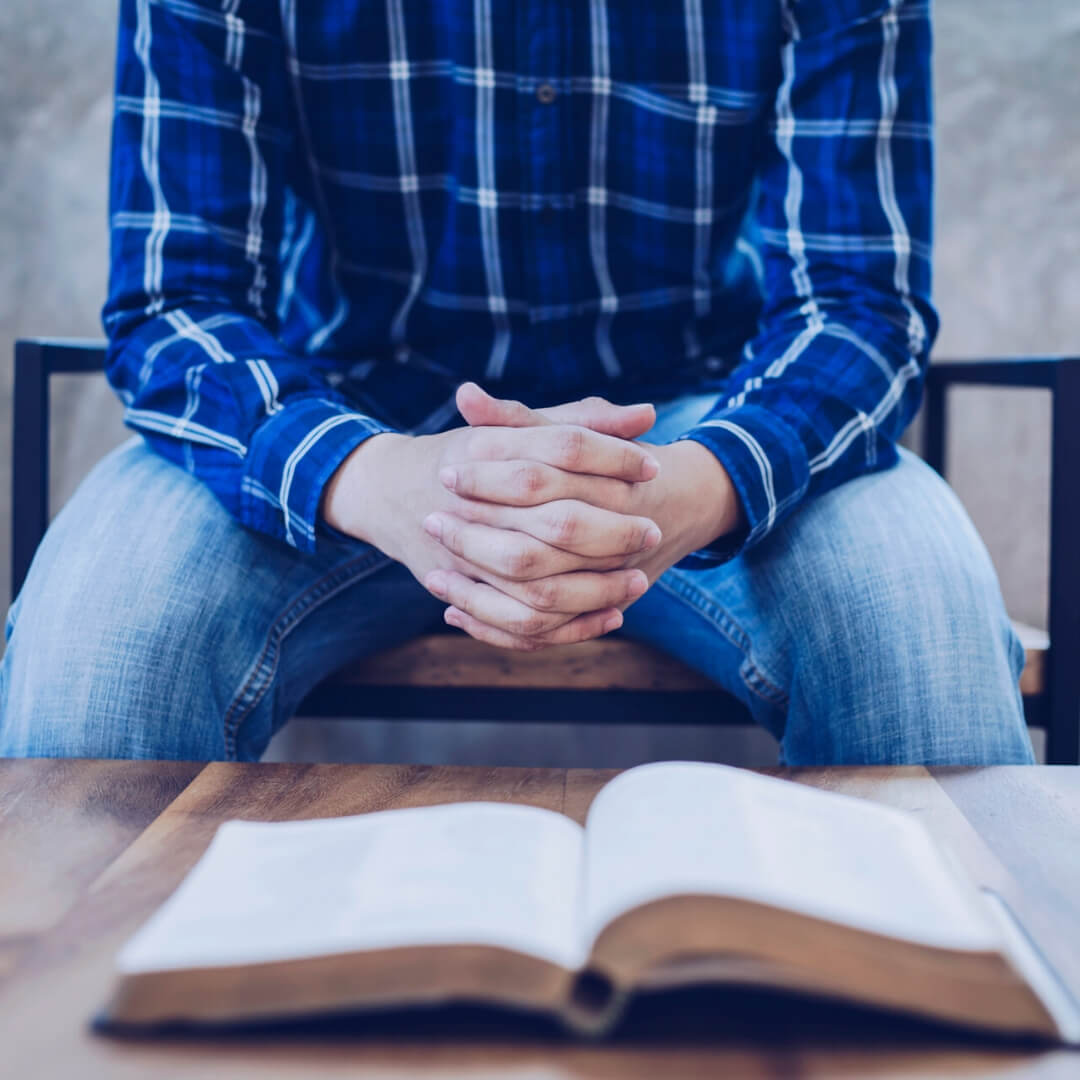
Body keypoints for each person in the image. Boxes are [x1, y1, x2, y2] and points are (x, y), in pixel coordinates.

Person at [0, 0, 1034, 765]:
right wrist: (374, 476)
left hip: (701, 421)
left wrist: (699, 480)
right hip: (342, 429)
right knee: (102, 649)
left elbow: (859, 302)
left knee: (922, 630)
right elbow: (178, 301)